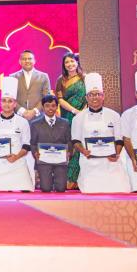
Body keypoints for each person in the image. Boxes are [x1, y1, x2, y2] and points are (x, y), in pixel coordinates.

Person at [71, 73, 130, 194]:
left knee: (119, 190)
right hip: (89, 161)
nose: (95, 97)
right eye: (91, 95)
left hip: (110, 161)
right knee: (90, 191)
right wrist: (83, 151)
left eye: (98, 94)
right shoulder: (78, 118)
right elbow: (75, 141)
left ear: (103, 96)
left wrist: (116, 153)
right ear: (86, 98)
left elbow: (119, 139)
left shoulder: (114, 115)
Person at [0, 77, 34, 192]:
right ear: (0, 103)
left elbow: (26, 145)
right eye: (4, 101)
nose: (7, 104)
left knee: (26, 189)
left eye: (10, 101)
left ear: (15, 104)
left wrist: (16, 157)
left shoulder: (23, 122)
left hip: (17, 162)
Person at [55, 52, 86, 189]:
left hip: (83, 116)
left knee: (80, 143)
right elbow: (60, 100)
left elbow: (89, 97)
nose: (70, 64)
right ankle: (68, 177)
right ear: (64, 65)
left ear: (77, 62)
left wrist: (83, 112)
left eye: (72, 61)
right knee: (69, 145)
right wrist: (74, 111)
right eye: (67, 62)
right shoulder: (60, 80)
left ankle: (77, 179)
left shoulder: (84, 78)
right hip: (67, 116)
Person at [30, 95, 72, 192]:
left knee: (61, 189)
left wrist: (69, 153)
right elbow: (33, 143)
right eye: (47, 106)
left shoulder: (65, 123)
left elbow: (69, 141)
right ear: (43, 107)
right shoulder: (35, 124)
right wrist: (35, 153)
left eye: (53, 106)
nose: (50, 108)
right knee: (46, 188)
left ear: (57, 107)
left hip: (60, 160)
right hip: (44, 160)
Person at [10, 50, 51, 121]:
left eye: (29, 59)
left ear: (34, 61)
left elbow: (46, 97)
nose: (27, 61)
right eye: (24, 59)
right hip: (18, 117)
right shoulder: (12, 77)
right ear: (20, 61)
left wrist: (34, 111)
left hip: (38, 117)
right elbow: (10, 98)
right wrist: (22, 111)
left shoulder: (44, 76)